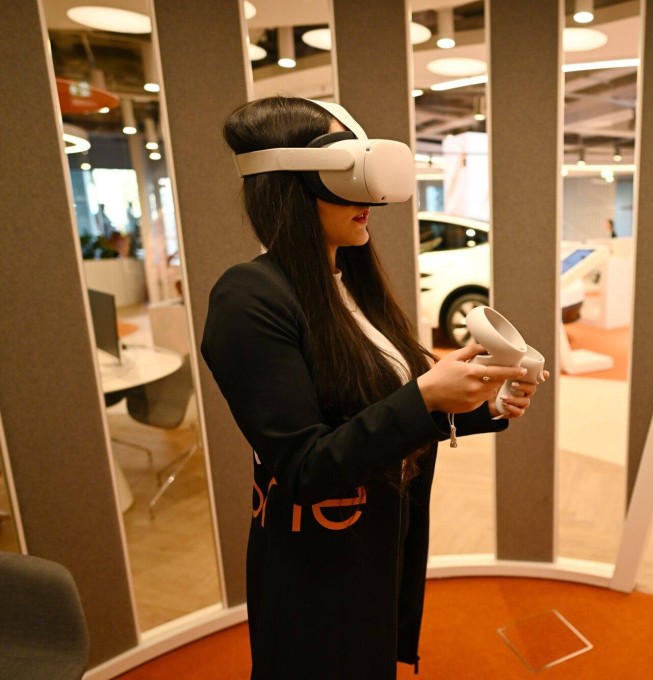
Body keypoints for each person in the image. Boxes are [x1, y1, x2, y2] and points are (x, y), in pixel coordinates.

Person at [201, 96, 547, 678]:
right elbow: (306, 467)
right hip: (316, 567)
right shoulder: (248, 298)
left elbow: (379, 411)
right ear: (288, 183)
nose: (367, 196)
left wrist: (479, 401)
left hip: (374, 542)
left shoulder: (348, 282)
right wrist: (427, 396)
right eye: (343, 169)